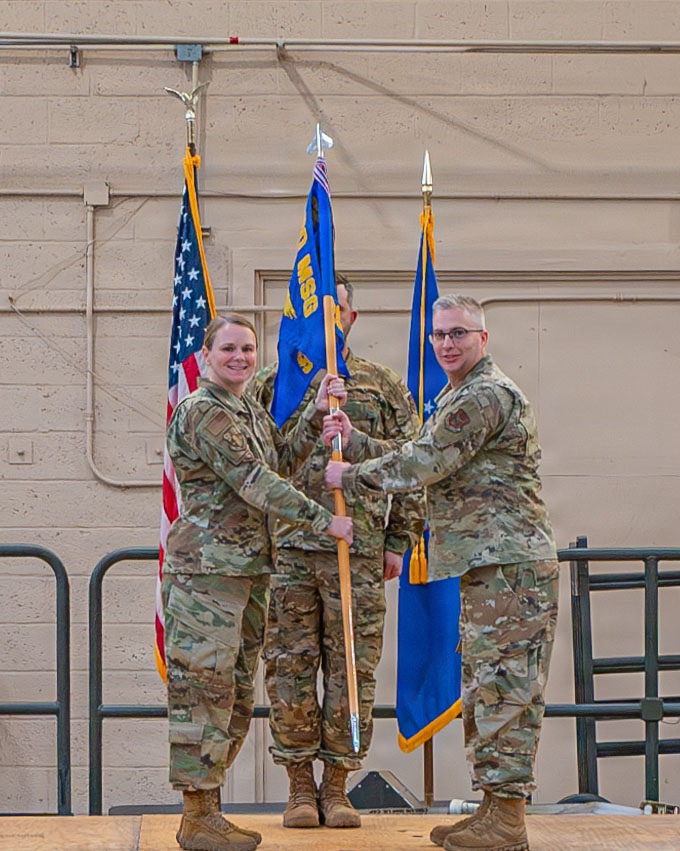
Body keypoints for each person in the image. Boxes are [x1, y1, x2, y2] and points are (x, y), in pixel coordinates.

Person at [324, 294, 559, 851]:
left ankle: (508, 819)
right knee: (486, 688)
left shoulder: (483, 395)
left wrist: (351, 474)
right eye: (439, 335)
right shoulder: (460, 394)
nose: (447, 344)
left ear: (484, 338)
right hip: (488, 565)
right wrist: (354, 439)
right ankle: (494, 809)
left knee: (506, 691)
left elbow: (422, 464)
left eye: (458, 333)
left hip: (510, 569)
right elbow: (421, 447)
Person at [161, 313, 353, 851]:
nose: (241, 357)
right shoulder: (204, 412)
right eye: (229, 349)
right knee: (203, 693)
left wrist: (315, 418)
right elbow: (254, 481)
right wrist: (324, 520)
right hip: (207, 576)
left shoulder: (245, 408)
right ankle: (197, 816)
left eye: (247, 348)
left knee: (237, 695)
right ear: (207, 355)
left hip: (245, 572)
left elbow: (281, 461)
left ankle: (210, 813)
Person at [252, 276, 425, 830]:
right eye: (317, 311)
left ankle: (337, 786)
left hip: (362, 552)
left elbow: (416, 462)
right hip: (290, 554)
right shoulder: (273, 385)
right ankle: (299, 786)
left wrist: (401, 539)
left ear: (352, 318)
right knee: (290, 670)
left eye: (338, 310)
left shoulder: (380, 385)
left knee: (353, 671)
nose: (329, 320)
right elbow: (255, 467)